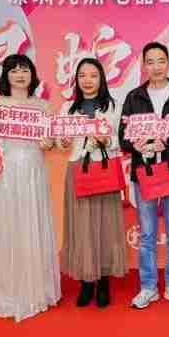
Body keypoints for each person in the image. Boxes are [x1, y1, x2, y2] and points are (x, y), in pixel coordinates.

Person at [0, 53, 61, 321]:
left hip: (34, 170)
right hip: (6, 173)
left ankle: (37, 291)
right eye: (14, 71)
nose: (20, 75)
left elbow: (50, 141)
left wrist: (48, 143)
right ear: (6, 76)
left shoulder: (43, 106)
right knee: (8, 226)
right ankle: (8, 294)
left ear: (32, 75)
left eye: (25, 70)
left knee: (32, 224)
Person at [119, 41, 169, 310]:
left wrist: (168, 144)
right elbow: (123, 136)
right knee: (147, 234)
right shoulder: (134, 97)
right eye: (150, 61)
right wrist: (136, 145)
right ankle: (148, 287)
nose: (156, 66)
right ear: (144, 65)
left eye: (161, 60)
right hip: (144, 173)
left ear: (168, 62)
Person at [60, 56, 128, 308]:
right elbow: (61, 143)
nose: (87, 80)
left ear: (101, 78)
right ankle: (86, 282)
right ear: (76, 80)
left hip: (104, 169)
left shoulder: (114, 106)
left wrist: (107, 140)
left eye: (93, 75)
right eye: (82, 76)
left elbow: (122, 140)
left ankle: (104, 283)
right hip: (77, 168)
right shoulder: (68, 108)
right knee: (81, 226)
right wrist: (63, 141)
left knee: (106, 225)